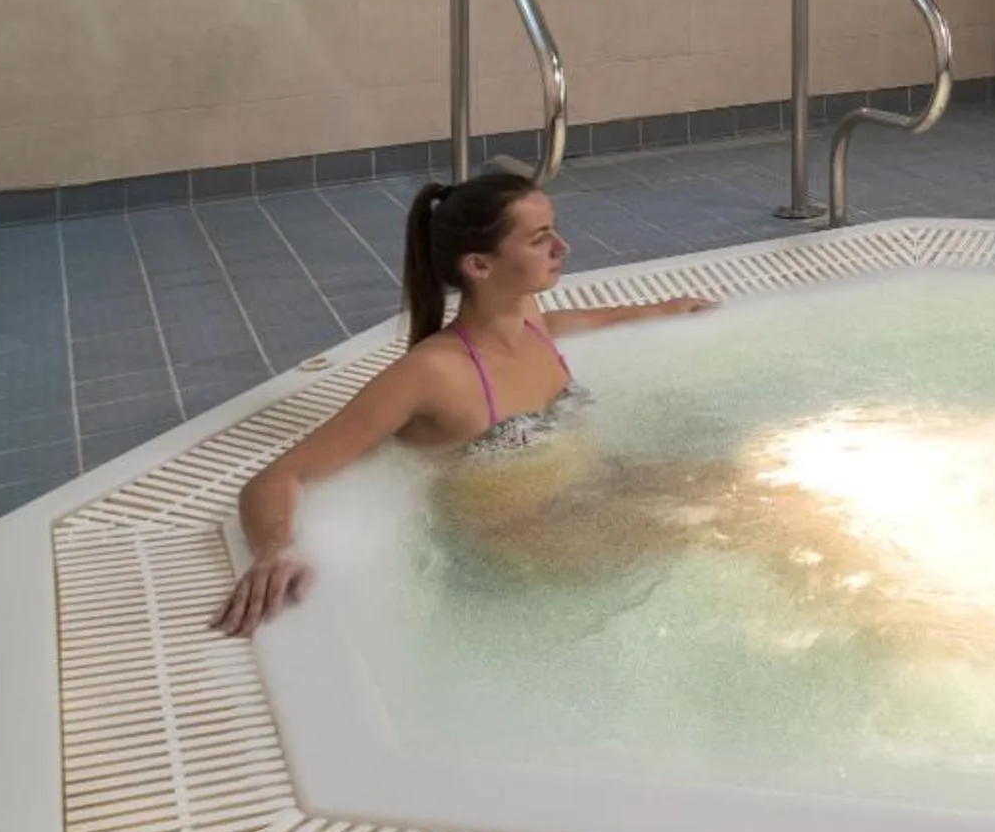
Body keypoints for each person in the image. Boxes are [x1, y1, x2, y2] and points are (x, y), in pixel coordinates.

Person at [210, 174, 713, 635]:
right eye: (540, 239)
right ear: (478, 265)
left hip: (594, 488)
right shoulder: (432, 374)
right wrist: (275, 549)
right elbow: (277, 478)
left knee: (729, 483)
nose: (563, 247)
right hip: (534, 546)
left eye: (554, 231)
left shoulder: (526, 314)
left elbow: (559, 324)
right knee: (711, 533)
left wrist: (653, 310)